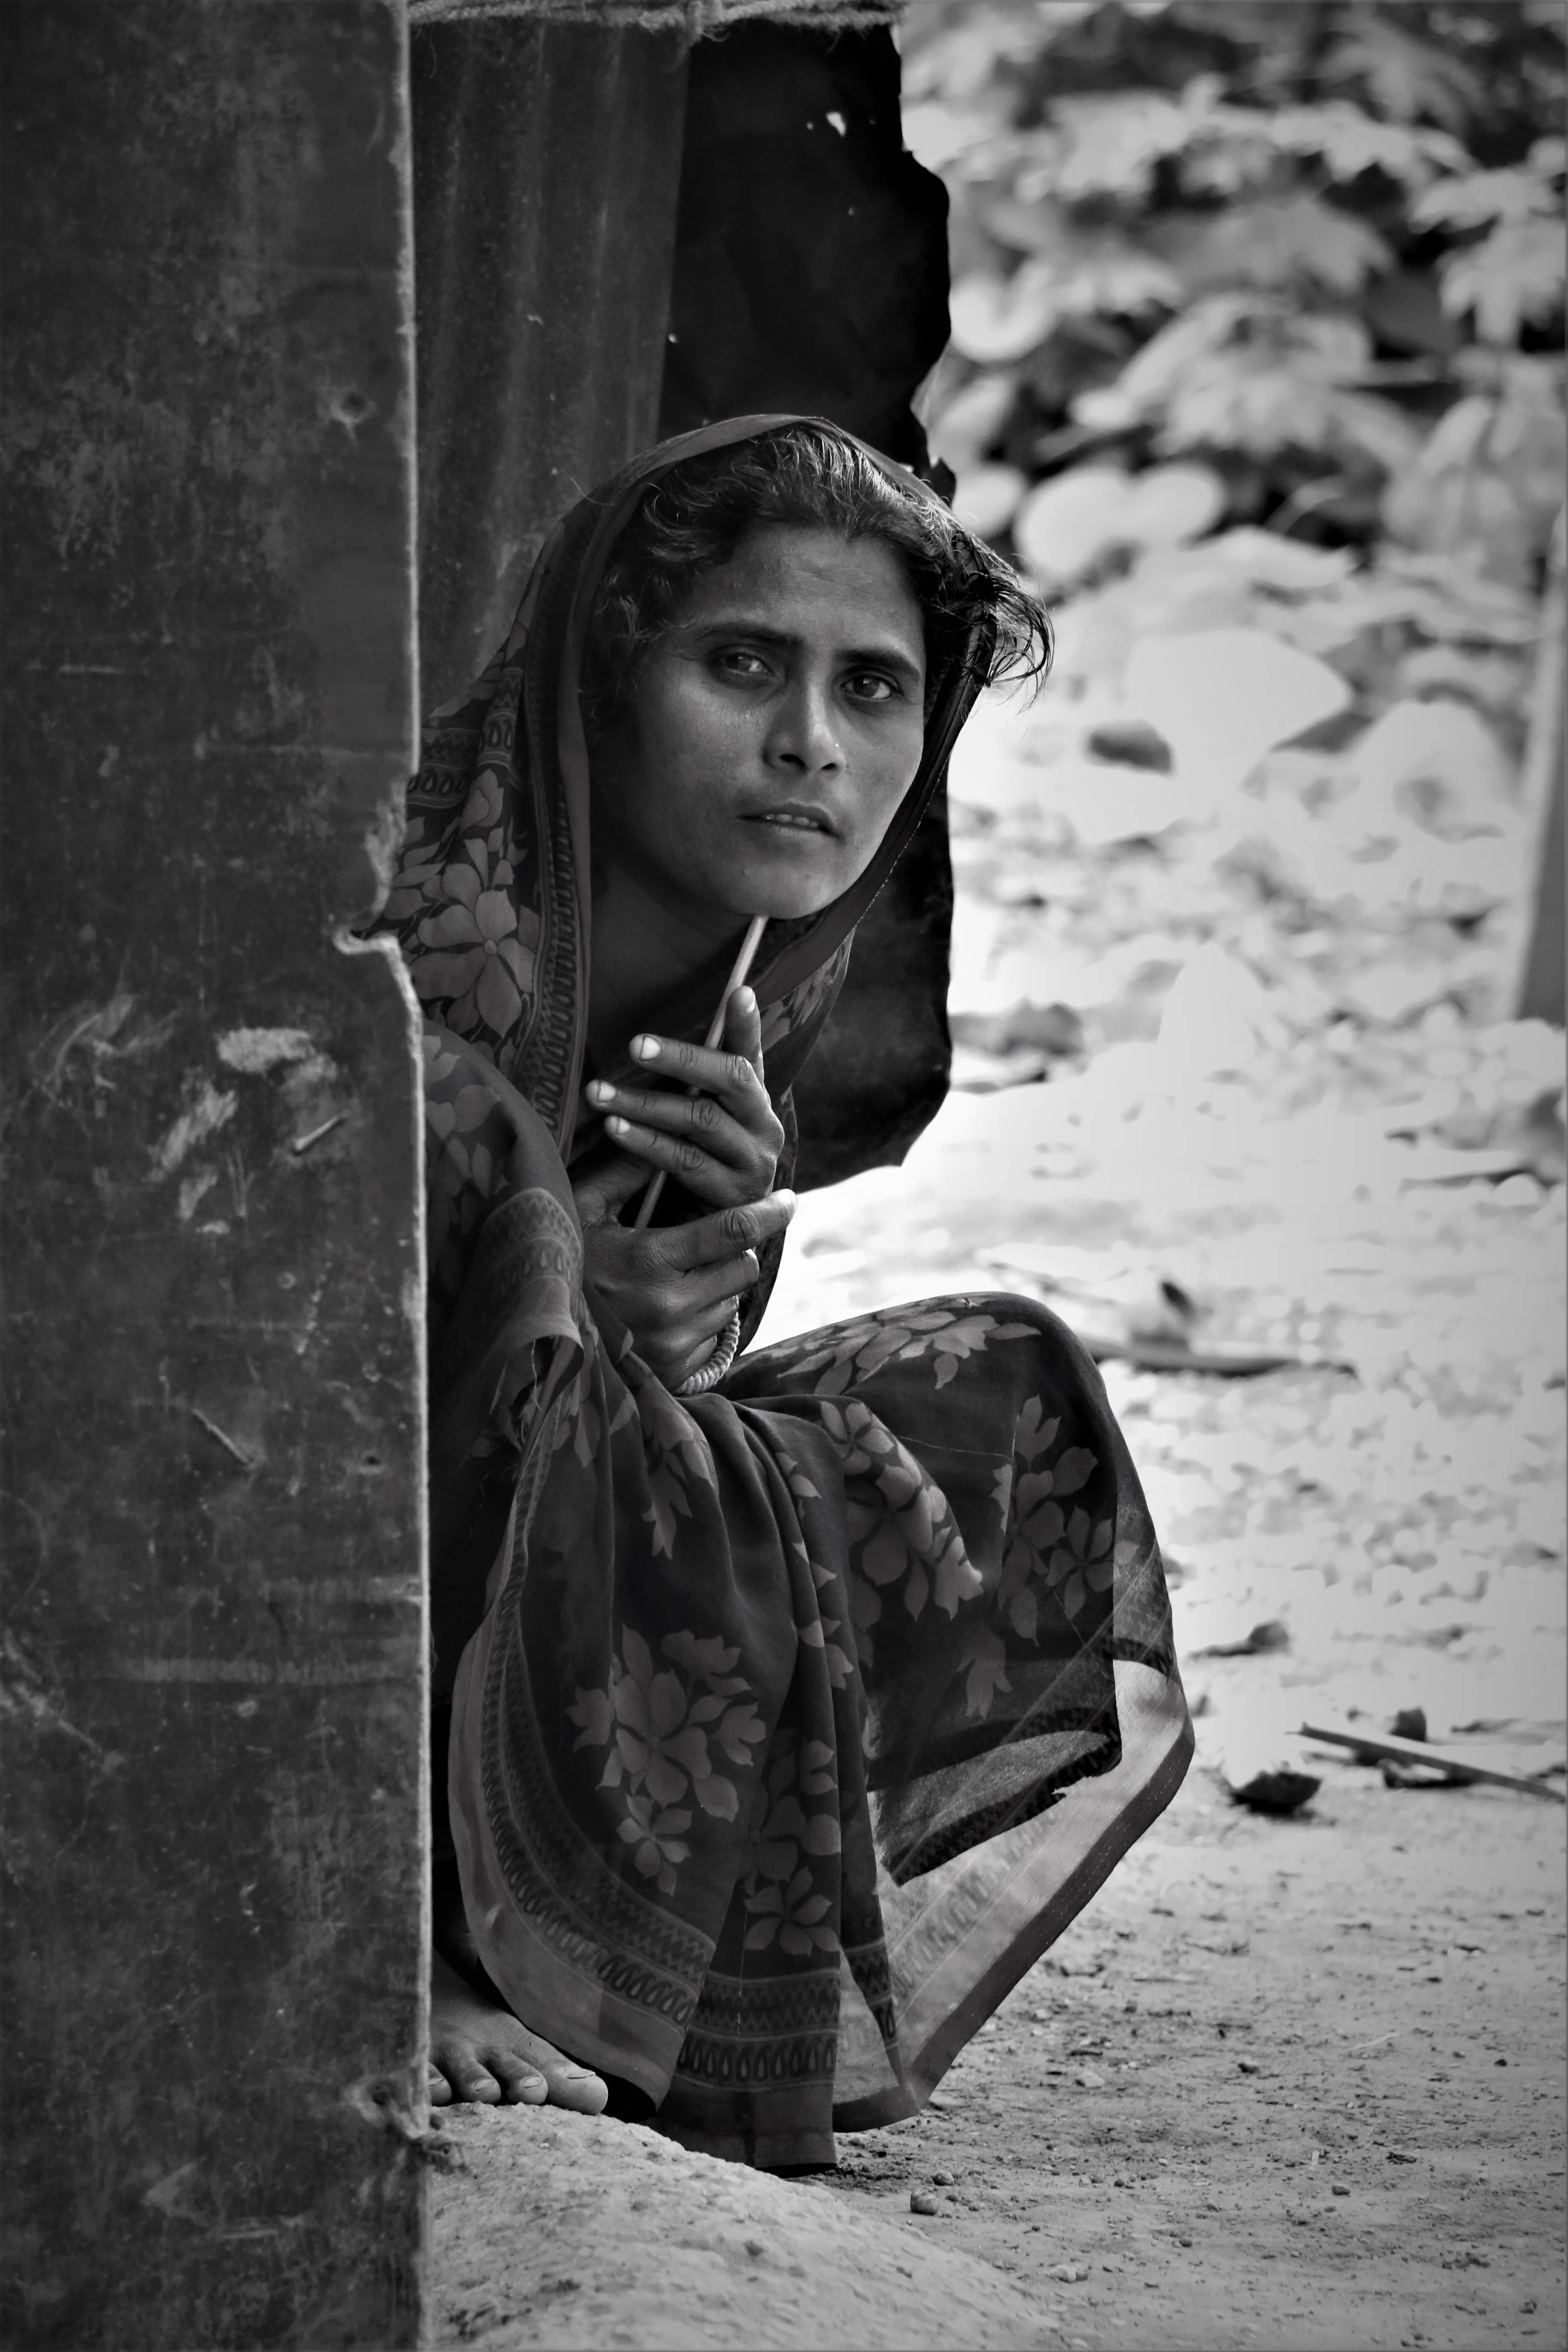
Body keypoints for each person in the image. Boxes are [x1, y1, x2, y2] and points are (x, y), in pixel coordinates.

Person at [377, 416, 1192, 2171]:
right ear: (607, 682)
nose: (811, 745)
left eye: (877, 689)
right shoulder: (424, 962)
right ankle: (384, 1936)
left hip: (487, 1558)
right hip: (261, 1603)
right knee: (495, 1203)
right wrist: (545, 1278)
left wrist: (673, 1289)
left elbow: (622, 1439)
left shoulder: (728, 1003)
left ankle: (600, 1958)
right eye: (741, 663)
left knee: (993, 1392)